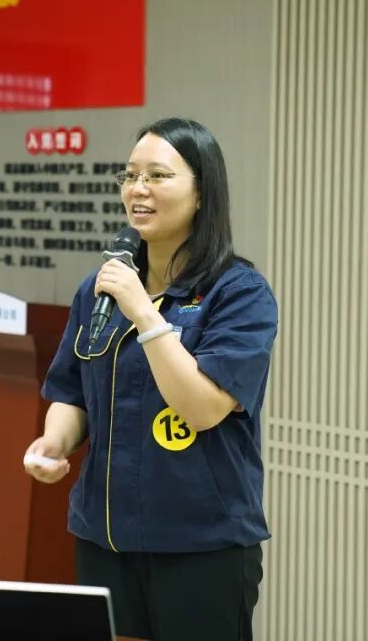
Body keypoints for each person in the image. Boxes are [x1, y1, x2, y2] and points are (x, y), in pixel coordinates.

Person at [24, 117, 278, 641]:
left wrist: (144, 313)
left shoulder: (239, 292)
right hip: (104, 538)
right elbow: (72, 392)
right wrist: (54, 443)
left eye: (158, 176)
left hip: (200, 545)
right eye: (130, 175)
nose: (138, 189)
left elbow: (202, 409)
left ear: (202, 193)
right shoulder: (98, 289)